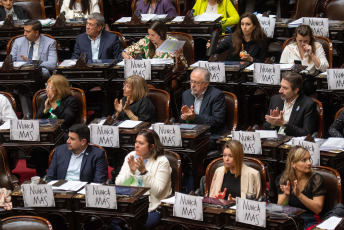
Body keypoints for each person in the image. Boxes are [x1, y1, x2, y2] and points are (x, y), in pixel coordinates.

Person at [115, 129, 171, 229]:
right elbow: (119, 184)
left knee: (138, 225)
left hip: (152, 206)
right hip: (131, 203)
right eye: (136, 142)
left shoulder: (162, 161)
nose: (136, 145)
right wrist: (131, 172)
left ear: (152, 146)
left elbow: (158, 192)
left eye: (141, 143)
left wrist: (144, 173)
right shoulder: (131, 156)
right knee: (112, 221)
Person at [34, 74, 79, 177]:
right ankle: (41, 176)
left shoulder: (69, 100)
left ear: (59, 89)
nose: (46, 89)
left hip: (64, 131)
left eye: (50, 87)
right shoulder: (46, 98)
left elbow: (66, 119)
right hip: (47, 132)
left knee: (64, 139)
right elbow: (37, 119)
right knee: (37, 146)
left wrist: (54, 104)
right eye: (47, 86)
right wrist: (45, 110)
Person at [10, 19, 58, 116]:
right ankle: (28, 116)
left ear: (36, 32)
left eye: (28, 31)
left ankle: (41, 115)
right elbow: (10, 61)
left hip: (41, 75)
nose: (24, 34)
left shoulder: (49, 42)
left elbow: (53, 64)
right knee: (23, 87)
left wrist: (33, 63)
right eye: (24, 31)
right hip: (23, 76)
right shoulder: (18, 42)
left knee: (43, 73)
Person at [277, 146, 326, 228]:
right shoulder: (285, 179)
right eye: (304, 160)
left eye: (309, 159)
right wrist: (286, 195)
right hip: (292, 218)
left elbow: (317, 209)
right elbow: (280, 208)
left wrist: (299, 195)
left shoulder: (316, 179)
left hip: (310, 219)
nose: (309, 163)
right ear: (293, 164)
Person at [263, 71, 318, 137]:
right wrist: (273, 123)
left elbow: (306, 133)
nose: (280, 91)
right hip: (274, 141)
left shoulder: (308, 104)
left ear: (296, 90)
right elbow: (265, 126)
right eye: (281, 86)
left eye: (285, 88)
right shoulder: (275, 100)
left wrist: (284, 123)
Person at [180, 67, 227, 142]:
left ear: (206, 84)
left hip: (210, 135)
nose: (192, 85)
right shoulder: (186, 94)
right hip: (191, 134)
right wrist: (185, 117)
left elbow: (217, 121)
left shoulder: (217, 95)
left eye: (196, 82)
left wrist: (194, 117)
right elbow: (181, 120)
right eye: (191, 81)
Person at [280, 25, 329, 95]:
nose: (302, 44)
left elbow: (325, 68)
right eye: (300, 41)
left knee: (304, 87)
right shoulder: (289, 48)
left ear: (310, 39)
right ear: (295, 38)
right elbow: (281, 68)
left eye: (306, 41)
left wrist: (312, 54)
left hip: (309, 79)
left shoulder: (317, 47)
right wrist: (290, 66)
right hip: (292, 79)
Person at [122, 21, 187, 68]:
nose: (150, 37)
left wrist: (178, 58)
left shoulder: (173, 43)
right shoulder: (146, 41)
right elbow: (125, 51)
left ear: (161, 34)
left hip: (168, 76)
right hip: (148, 74)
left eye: (152, 35)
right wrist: (126, 56)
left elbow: (183, 68)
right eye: (149, 34)